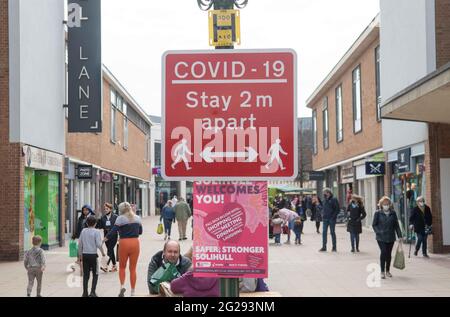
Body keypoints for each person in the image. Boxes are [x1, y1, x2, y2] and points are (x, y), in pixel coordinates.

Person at [104, 202, 143, 297]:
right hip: (135, 243)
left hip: (124, 243)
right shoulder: (137, 218)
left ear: (121, 210)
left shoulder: (120, 218)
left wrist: (106, 238)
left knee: (122, 267)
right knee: (133, 268)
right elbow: (140, 231)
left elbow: (113, 231)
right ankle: (133, 291)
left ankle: (122, 287)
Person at [372, 196, 403, 279]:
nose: (386, 205)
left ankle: (388, 270)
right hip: (381, 237)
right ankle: (382, 271)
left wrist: (399, 235)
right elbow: (374, 225)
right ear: (381, 205)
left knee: (388, 254)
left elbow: (396, 225)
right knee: (383, 252)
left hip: (391, 236)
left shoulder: (393, 213)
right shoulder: (377, 213)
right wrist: (378, 232)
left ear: (390, 205)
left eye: (388, 204)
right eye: (384, 204)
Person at [78, 216, 106, 297]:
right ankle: (93, 292)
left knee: (86, 275)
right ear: (95, 224)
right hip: (93, 255)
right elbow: (98, 244)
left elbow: (80, 244)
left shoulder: (83, 231)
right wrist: (103, 242)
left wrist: (80, 255)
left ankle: (85, 293)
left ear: (86, 223)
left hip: (85, 255)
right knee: (95, 273)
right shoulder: (96, 232)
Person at [97, 203, 118, 272]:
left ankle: (105, 266)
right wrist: (98, 219)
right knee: (110, 250)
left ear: (111, 209)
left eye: (107, 209)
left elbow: (118, 227)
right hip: (106, 236)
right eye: (105, 209)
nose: (105, 210)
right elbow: (99, 226)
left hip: (113, 236)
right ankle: (114, 266)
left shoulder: (115, 217)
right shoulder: (103, 218)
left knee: (110, 250)